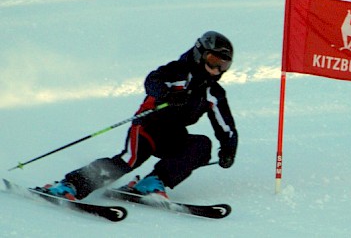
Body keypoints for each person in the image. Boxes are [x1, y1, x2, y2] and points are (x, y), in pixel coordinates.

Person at [43, 31, 238, 200]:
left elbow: (225, 125)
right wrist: (166, 94)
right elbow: (152, 81)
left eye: (223, 65)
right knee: (129, 159)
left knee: (201, 145)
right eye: (213, 61)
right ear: (200, 53)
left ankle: (153, 182)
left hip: (172, 134)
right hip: (148, 126)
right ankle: (71, 185)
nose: (216, 70)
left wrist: (229, 149)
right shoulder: (176, 72)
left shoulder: (213, 93)